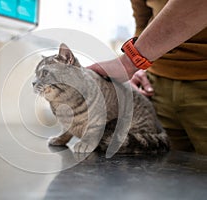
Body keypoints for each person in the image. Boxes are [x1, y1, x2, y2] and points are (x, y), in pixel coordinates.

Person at [88, 0, 207, 155]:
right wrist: (139, 68)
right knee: (162, 173)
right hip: (154, 87)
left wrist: (129, 62)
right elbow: (143, 22)